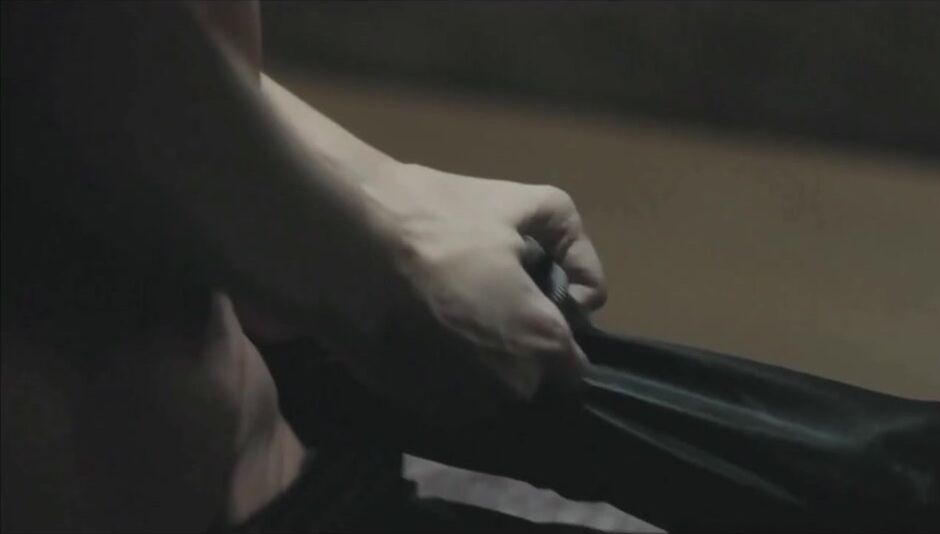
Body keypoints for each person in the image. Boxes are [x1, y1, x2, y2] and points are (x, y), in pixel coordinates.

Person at [1, 1, 607, 531]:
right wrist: (385, 277)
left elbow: (144, 31)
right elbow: (52, 39)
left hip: (285, 480)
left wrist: (380, 190)